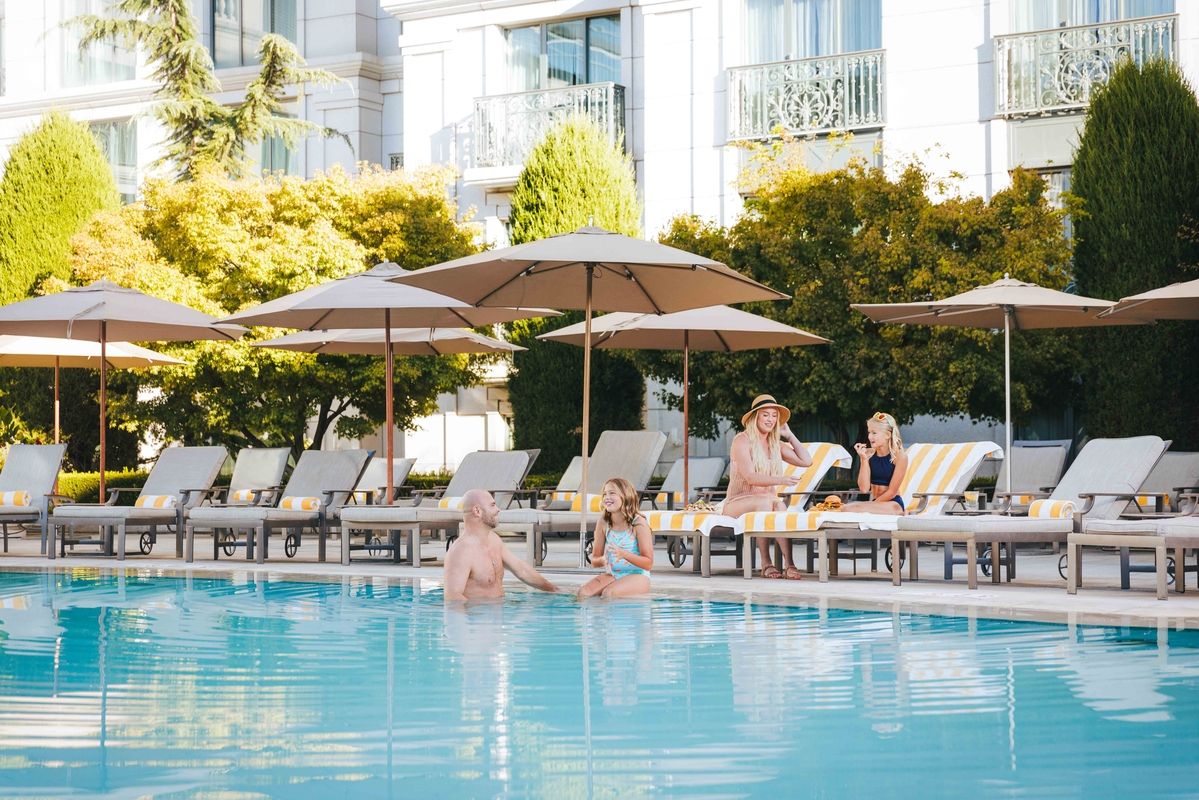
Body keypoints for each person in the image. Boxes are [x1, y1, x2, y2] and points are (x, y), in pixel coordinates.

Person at [721, 394, 813, 580]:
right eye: (765, 415)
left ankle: (790, 564)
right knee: (767, 502)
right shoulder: (742, 440)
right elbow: (750, 477)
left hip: (767, 501)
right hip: (736, 503)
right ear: (755, 417)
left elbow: (806, 461)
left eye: (773, 415)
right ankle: (766, 563)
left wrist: (789, 435)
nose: (770, 419)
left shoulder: (775, 444)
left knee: (779, 505)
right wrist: (781, 480)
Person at [443, 489, 560, 602]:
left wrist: (553, 590)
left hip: (499, 615)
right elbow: (452, 597)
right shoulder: (460, 552)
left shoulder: (494, 540)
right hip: (478, 618)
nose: (498, 509)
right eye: (492, 505)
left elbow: (522, 570)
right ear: (477, 511)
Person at [577, 477, 654, 598]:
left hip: (638, 575)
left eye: (612, 493)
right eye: (604, 494)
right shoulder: (603, 522)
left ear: (625, 496)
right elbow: (594, 560)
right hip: (613, 574)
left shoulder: (638, 523)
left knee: (609, 593)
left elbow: (648, 564)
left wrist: (623, 554)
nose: (607, 497)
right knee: (583, 593)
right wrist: (602, 560)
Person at [840, 411, 908, 514]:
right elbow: (864, 489)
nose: (869, 437)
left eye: (874, 433)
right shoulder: (869, 454)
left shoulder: (899, 456)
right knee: (846, 508)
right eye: (869, 432)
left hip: (893, 505)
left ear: (887, 435)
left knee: (848, 508)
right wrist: (863, 459)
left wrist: (870, 504)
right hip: (875, 504)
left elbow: (892, 492)